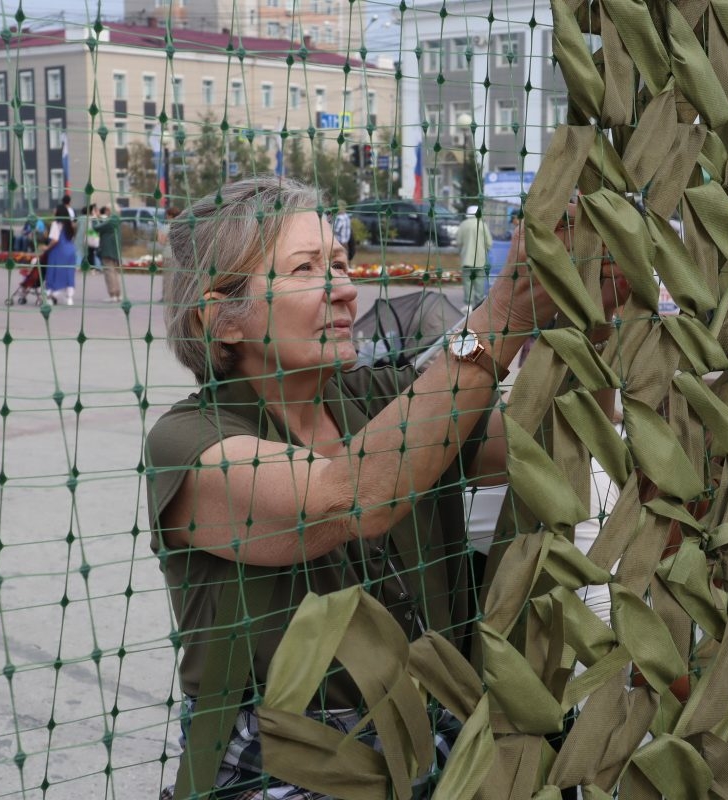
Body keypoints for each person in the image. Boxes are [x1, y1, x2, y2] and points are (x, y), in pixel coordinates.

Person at [146, 176, 561, 797]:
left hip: (447, 759)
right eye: (306, 269)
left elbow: (551, 444)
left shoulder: (381, 397)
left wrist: (587, 316)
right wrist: (504, 313)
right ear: (222, 319)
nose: (344, 289)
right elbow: (352, 496)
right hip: (280, 776)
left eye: (340, 262)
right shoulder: (187, 441)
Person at [456, 204, 494, 306]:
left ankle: (468, 305)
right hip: (480, 260)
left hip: (466, 260)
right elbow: (489, 243)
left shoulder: (463, 224)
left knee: (467, 283)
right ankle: (479, 305)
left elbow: (458, 242)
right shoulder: (483, 225)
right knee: (480, 284)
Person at [40, 205, 78, 306]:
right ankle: (69, 298)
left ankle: (50, 295)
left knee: (53, 272)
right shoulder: (70, 224)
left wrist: (47, 248)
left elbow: (55, 239)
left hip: (58, 251)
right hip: (70, 250)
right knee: (69, 273)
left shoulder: (55, 224)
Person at [93, 206, 123, 303]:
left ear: (110, 210)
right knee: (114, 272)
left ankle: (112, 294)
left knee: (109, 272)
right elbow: (103, 226)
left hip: (108, 249)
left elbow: (96, 228)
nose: (105, 212)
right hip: (115, 249)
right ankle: (117, 294)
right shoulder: (116, 220)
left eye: (106, 210)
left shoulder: (111, 221)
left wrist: (95, 218)